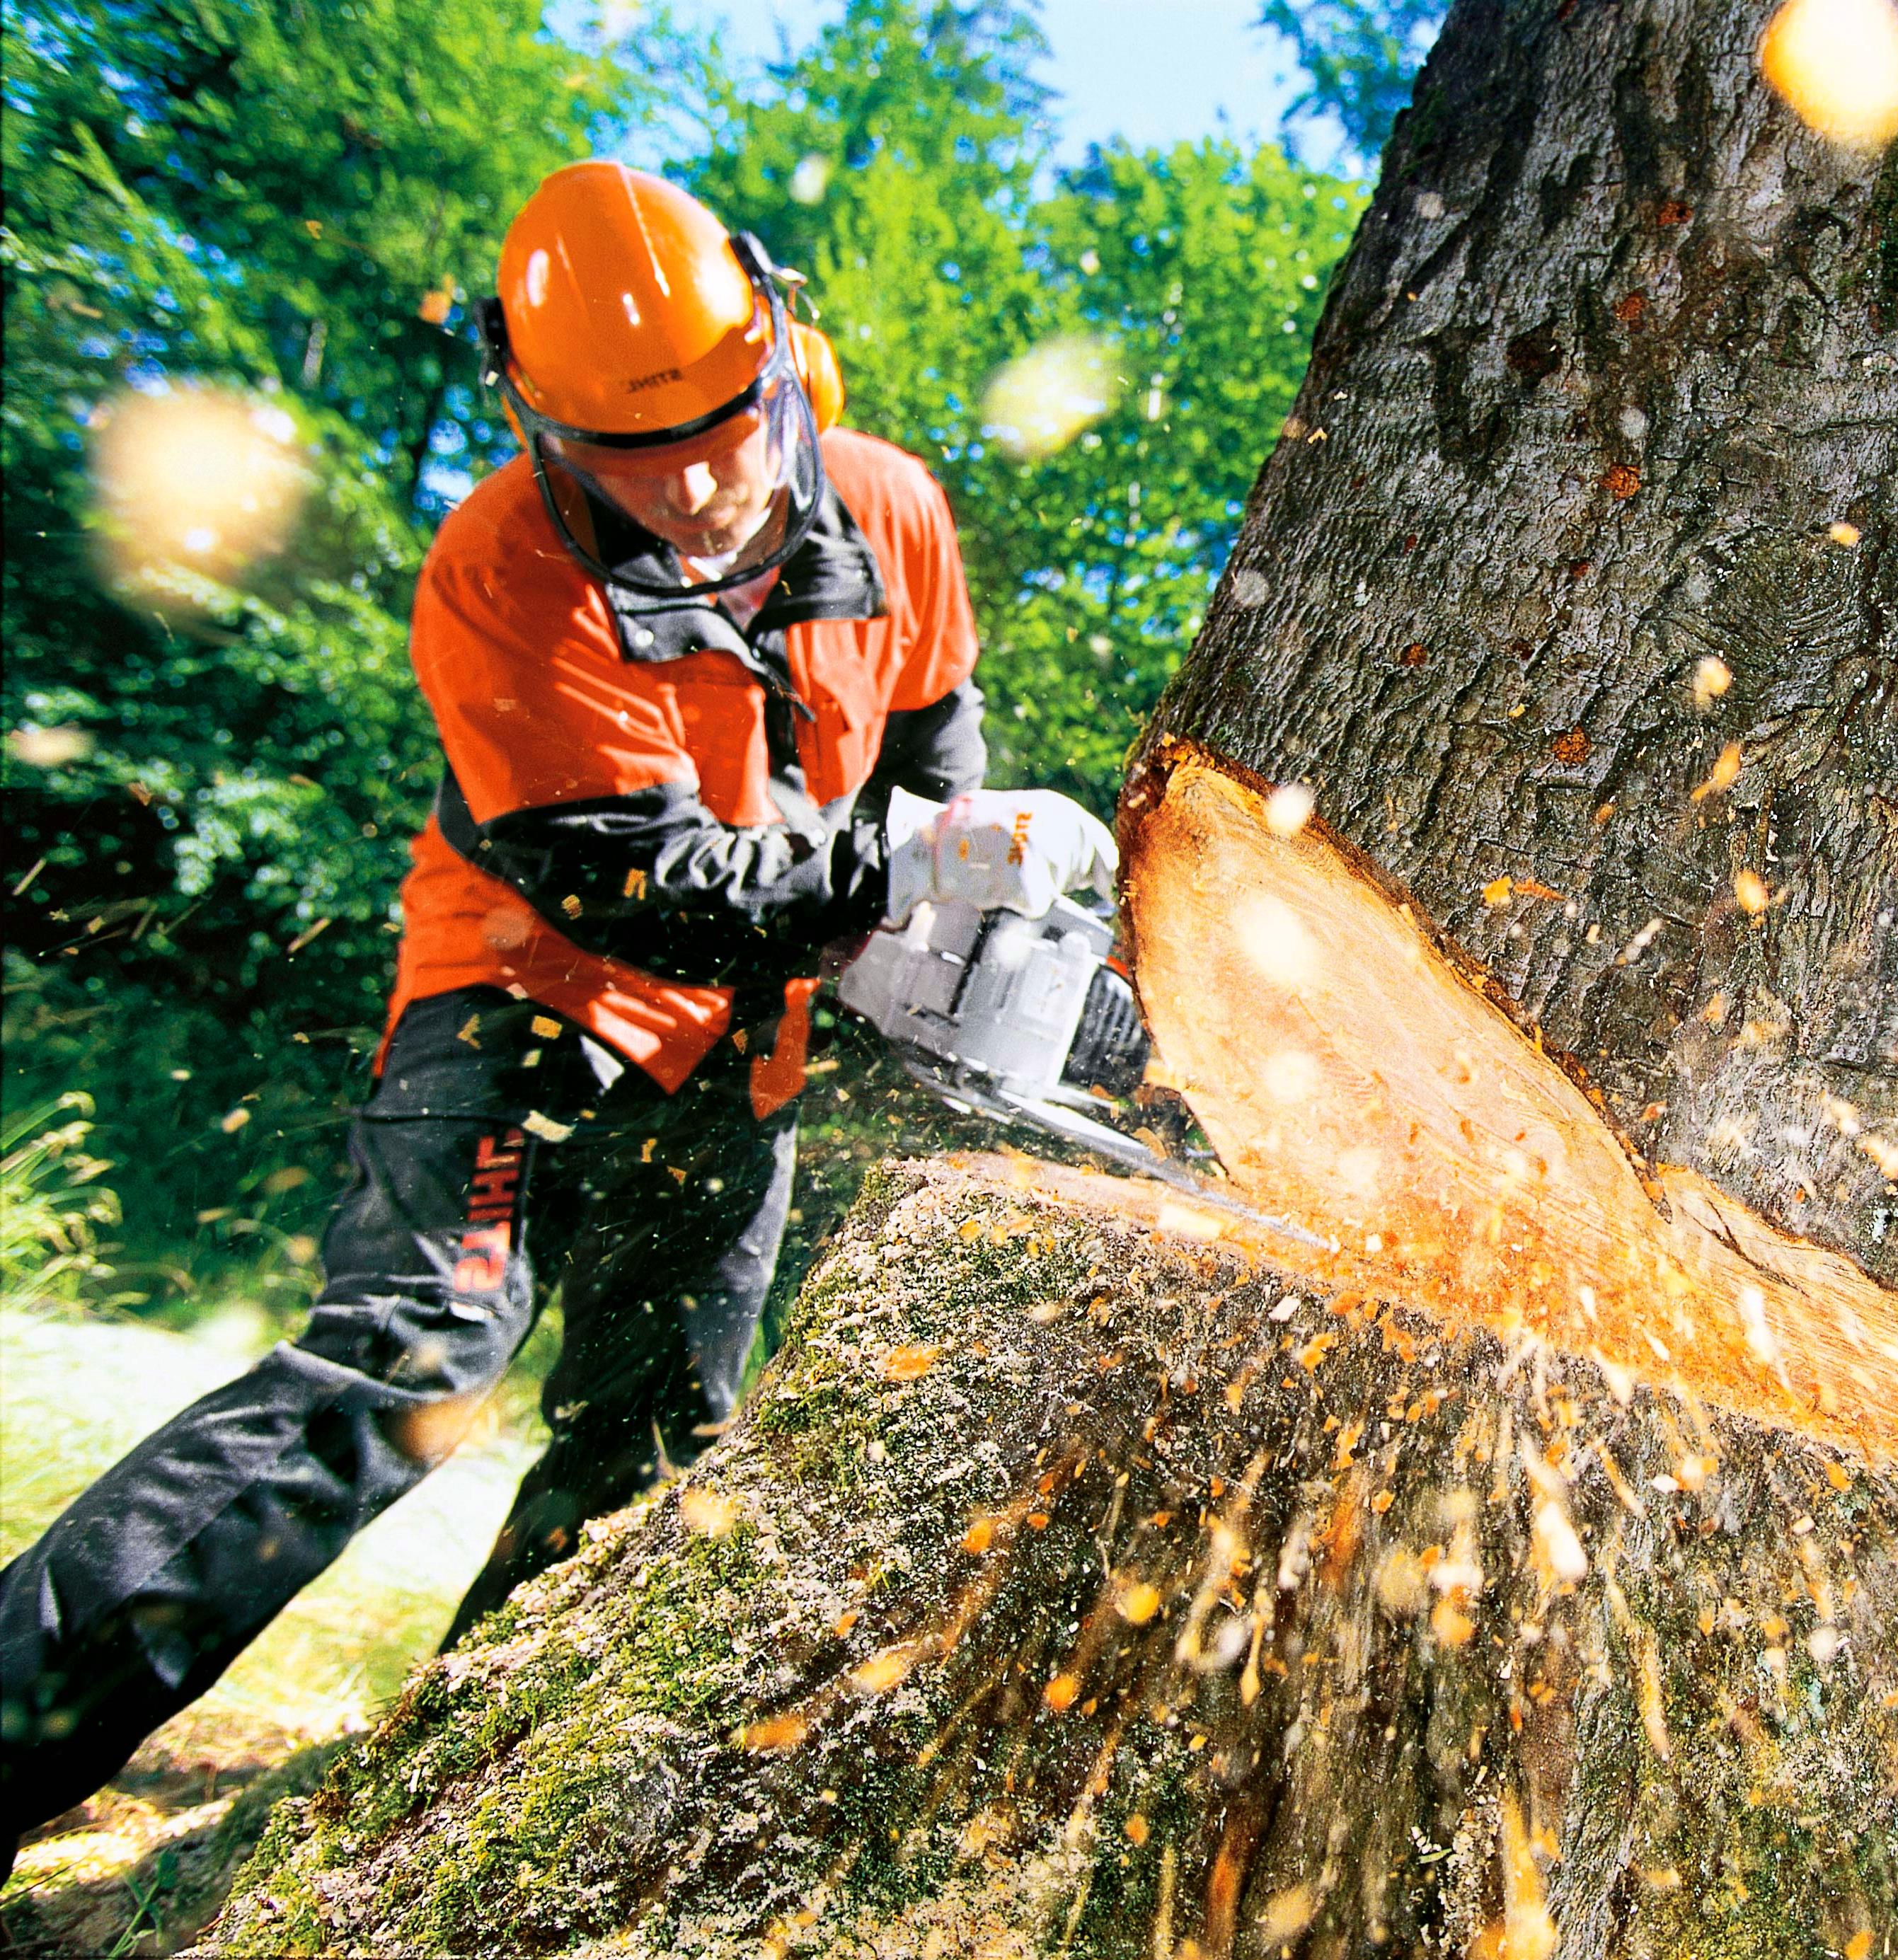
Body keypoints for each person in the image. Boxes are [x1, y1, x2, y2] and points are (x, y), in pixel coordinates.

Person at [0, 161, 1117, 1854]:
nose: (706, 486)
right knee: (408, 1359)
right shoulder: (502, 566)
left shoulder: (893, 512)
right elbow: (635, 882)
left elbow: (930, 756)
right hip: (522, 1006)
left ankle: (426, 1835)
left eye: (731, 427)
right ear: (544, 420)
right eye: (639, 458)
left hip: (747, 1050)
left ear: (780, 351)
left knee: (652, 1449)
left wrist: (953, 894)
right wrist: (900, 868)